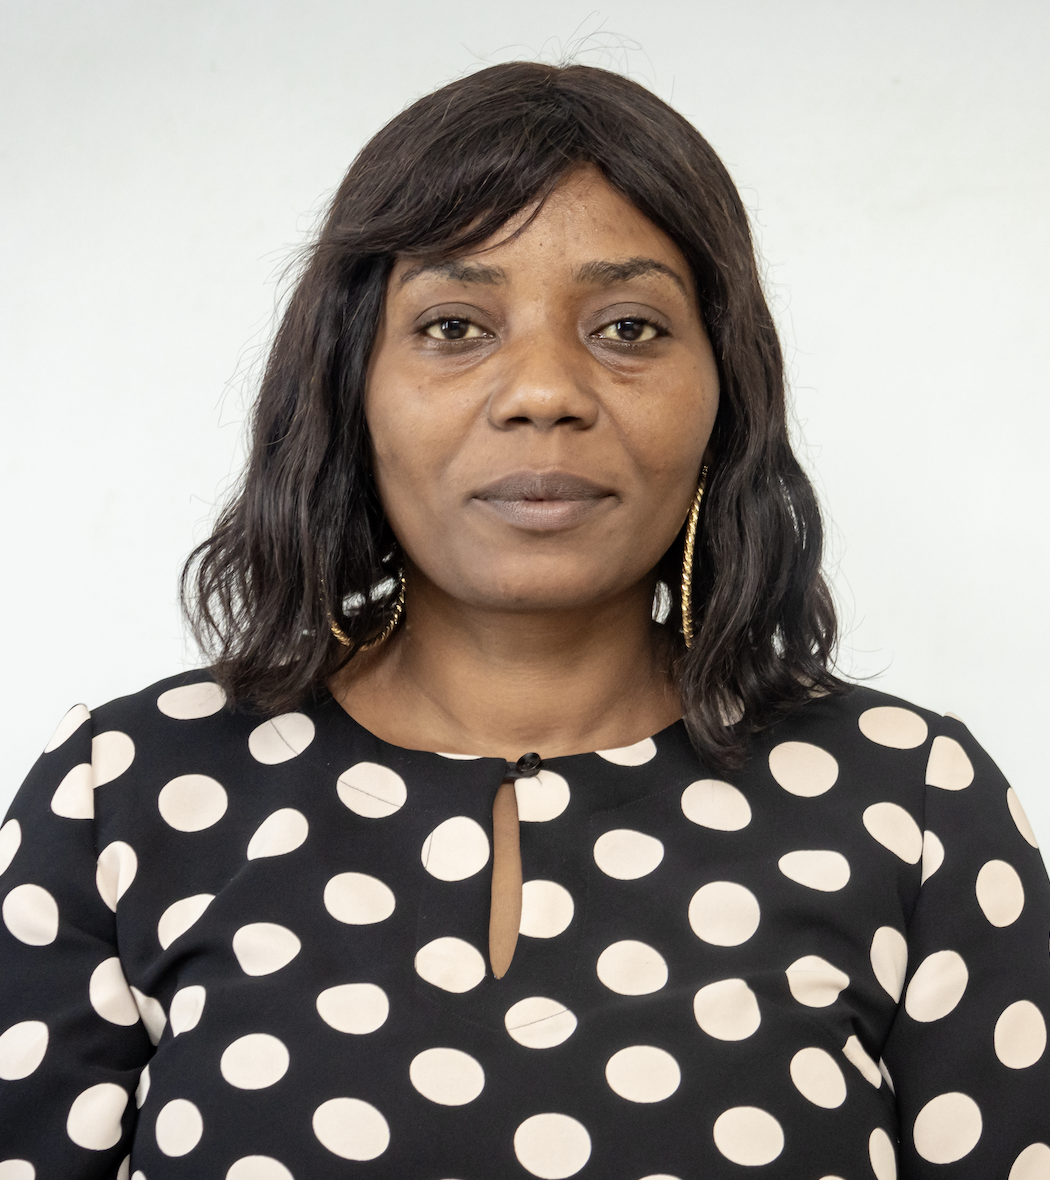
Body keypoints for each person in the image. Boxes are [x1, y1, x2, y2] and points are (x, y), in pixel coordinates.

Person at [0, 61, 1047, 1180]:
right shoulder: (121, 793)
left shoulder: (915, 807)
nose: (544, 391)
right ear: (350, 385)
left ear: (724, 394)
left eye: (629, 327)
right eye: (454, 326)